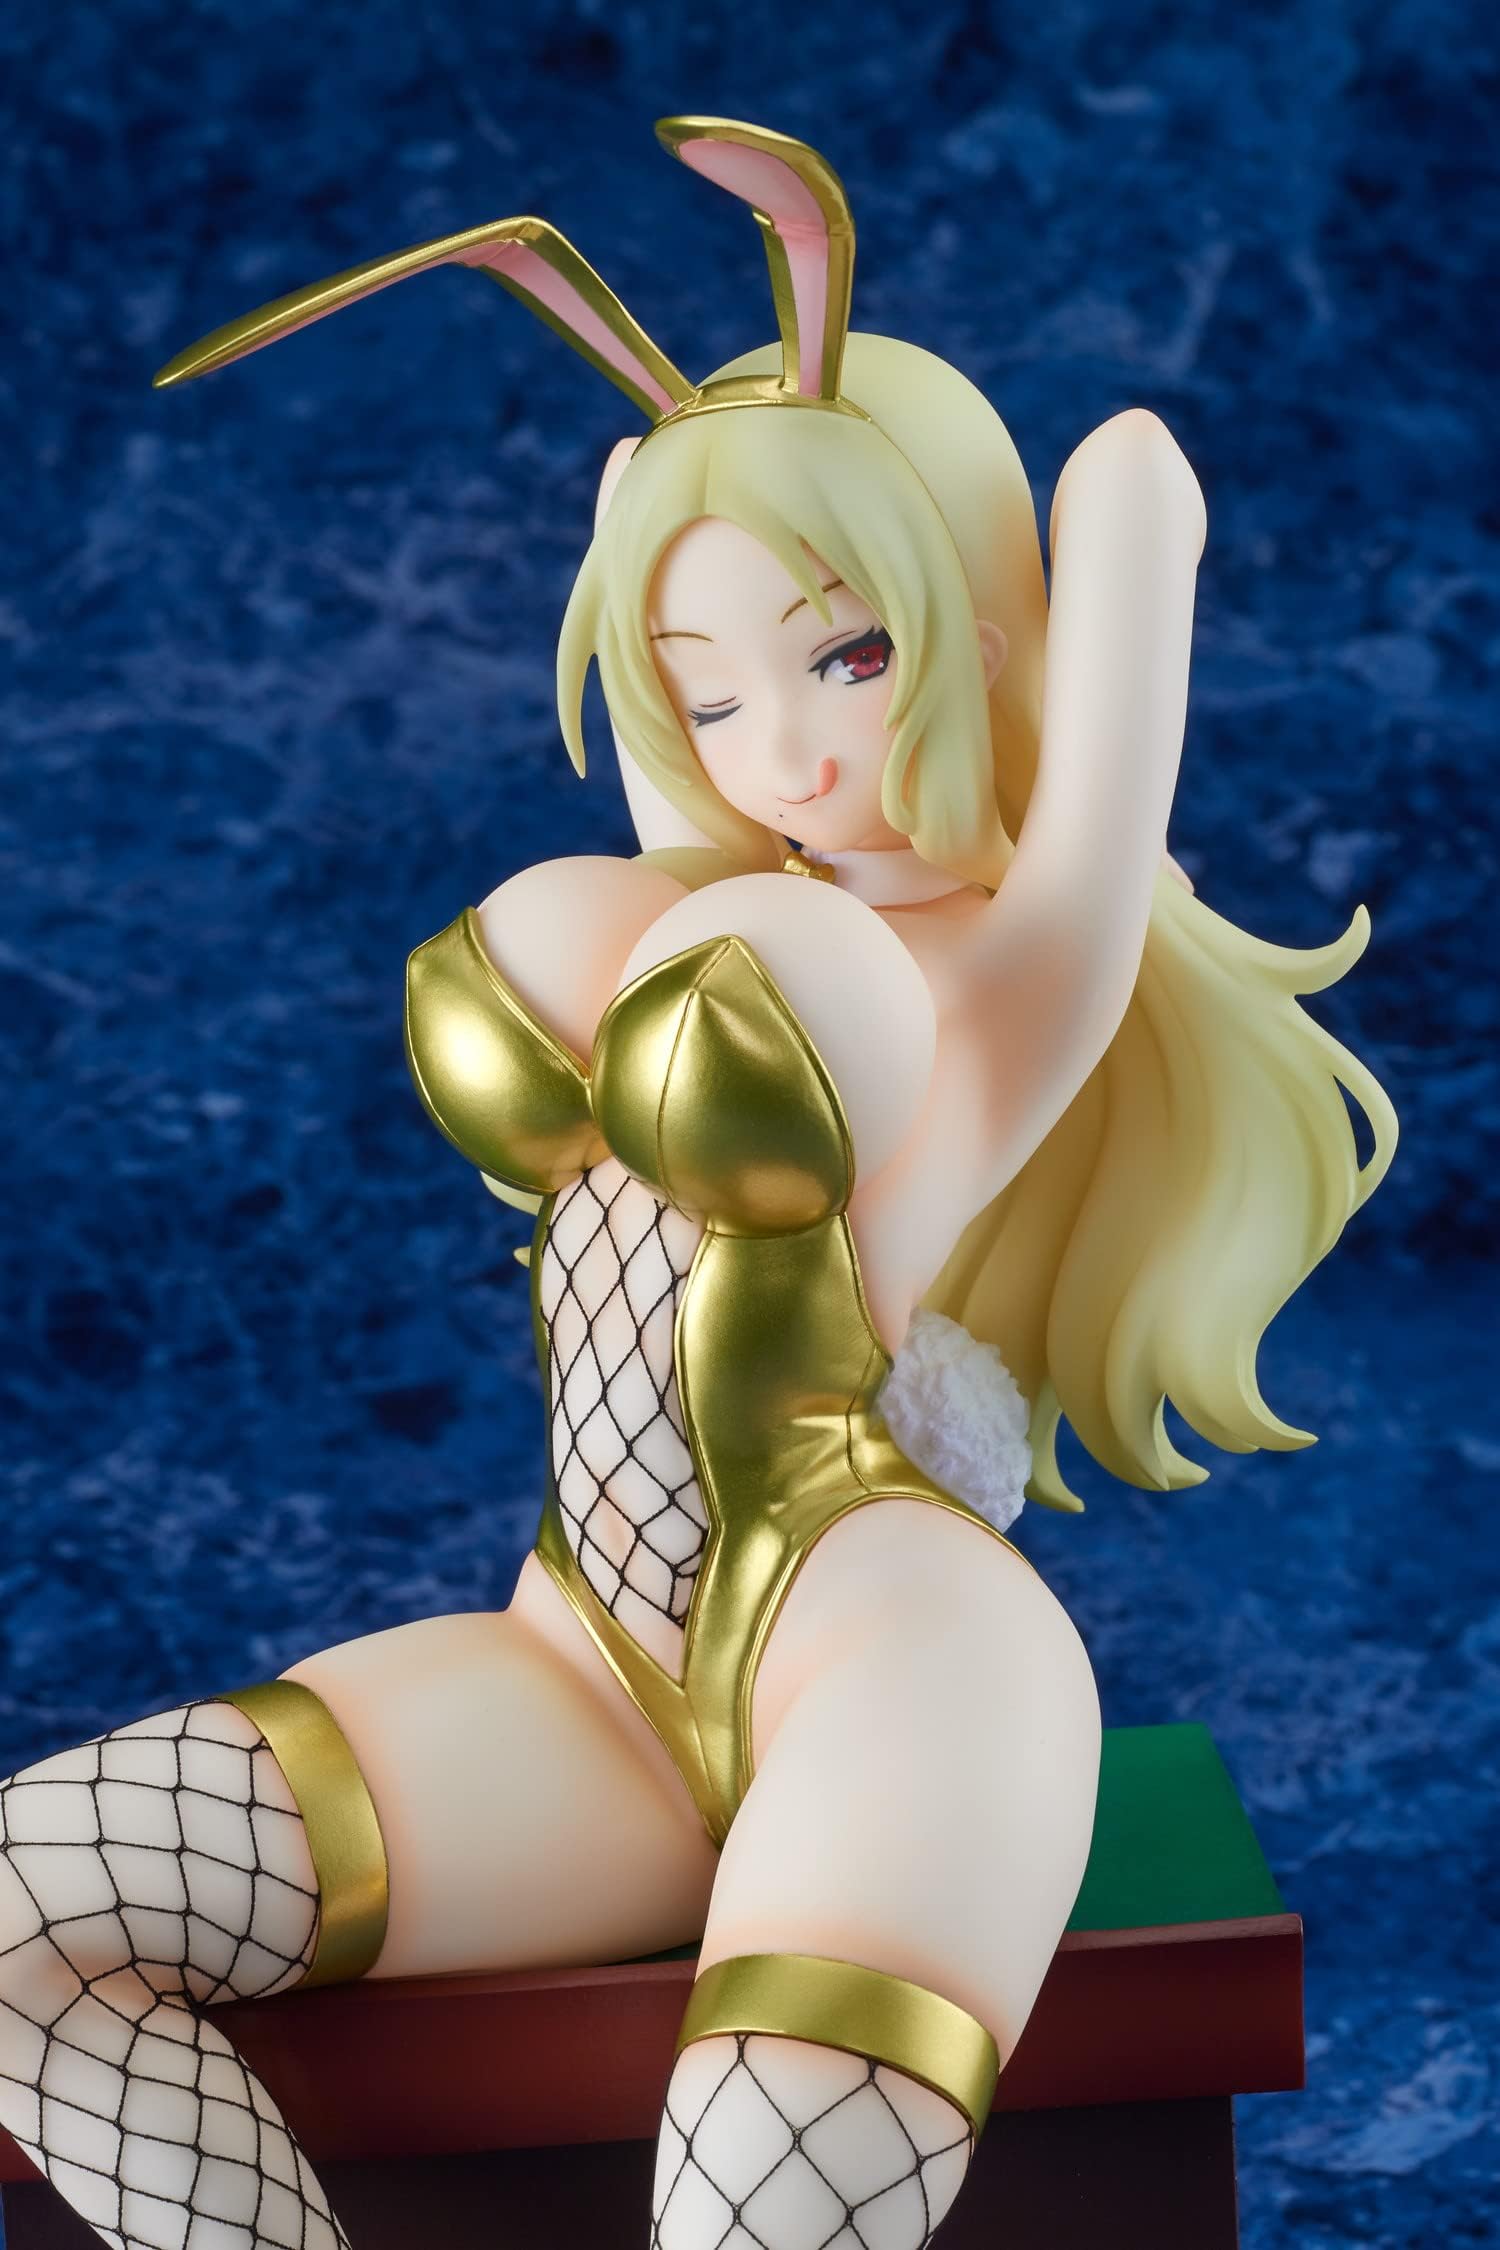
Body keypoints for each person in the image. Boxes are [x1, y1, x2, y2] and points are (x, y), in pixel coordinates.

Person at [0, 117, 1396, 2250]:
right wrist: (670, 520)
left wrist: (1122, 532)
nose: (786, 748)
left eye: (849, 652)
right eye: (708, 689)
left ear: (979, 624)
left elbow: (1122, 659)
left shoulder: (1021, 966)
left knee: (763, 2183)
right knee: (27, 1919)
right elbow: (695, 807)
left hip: (894, 1650)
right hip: (584, 1665)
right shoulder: (710, 880)